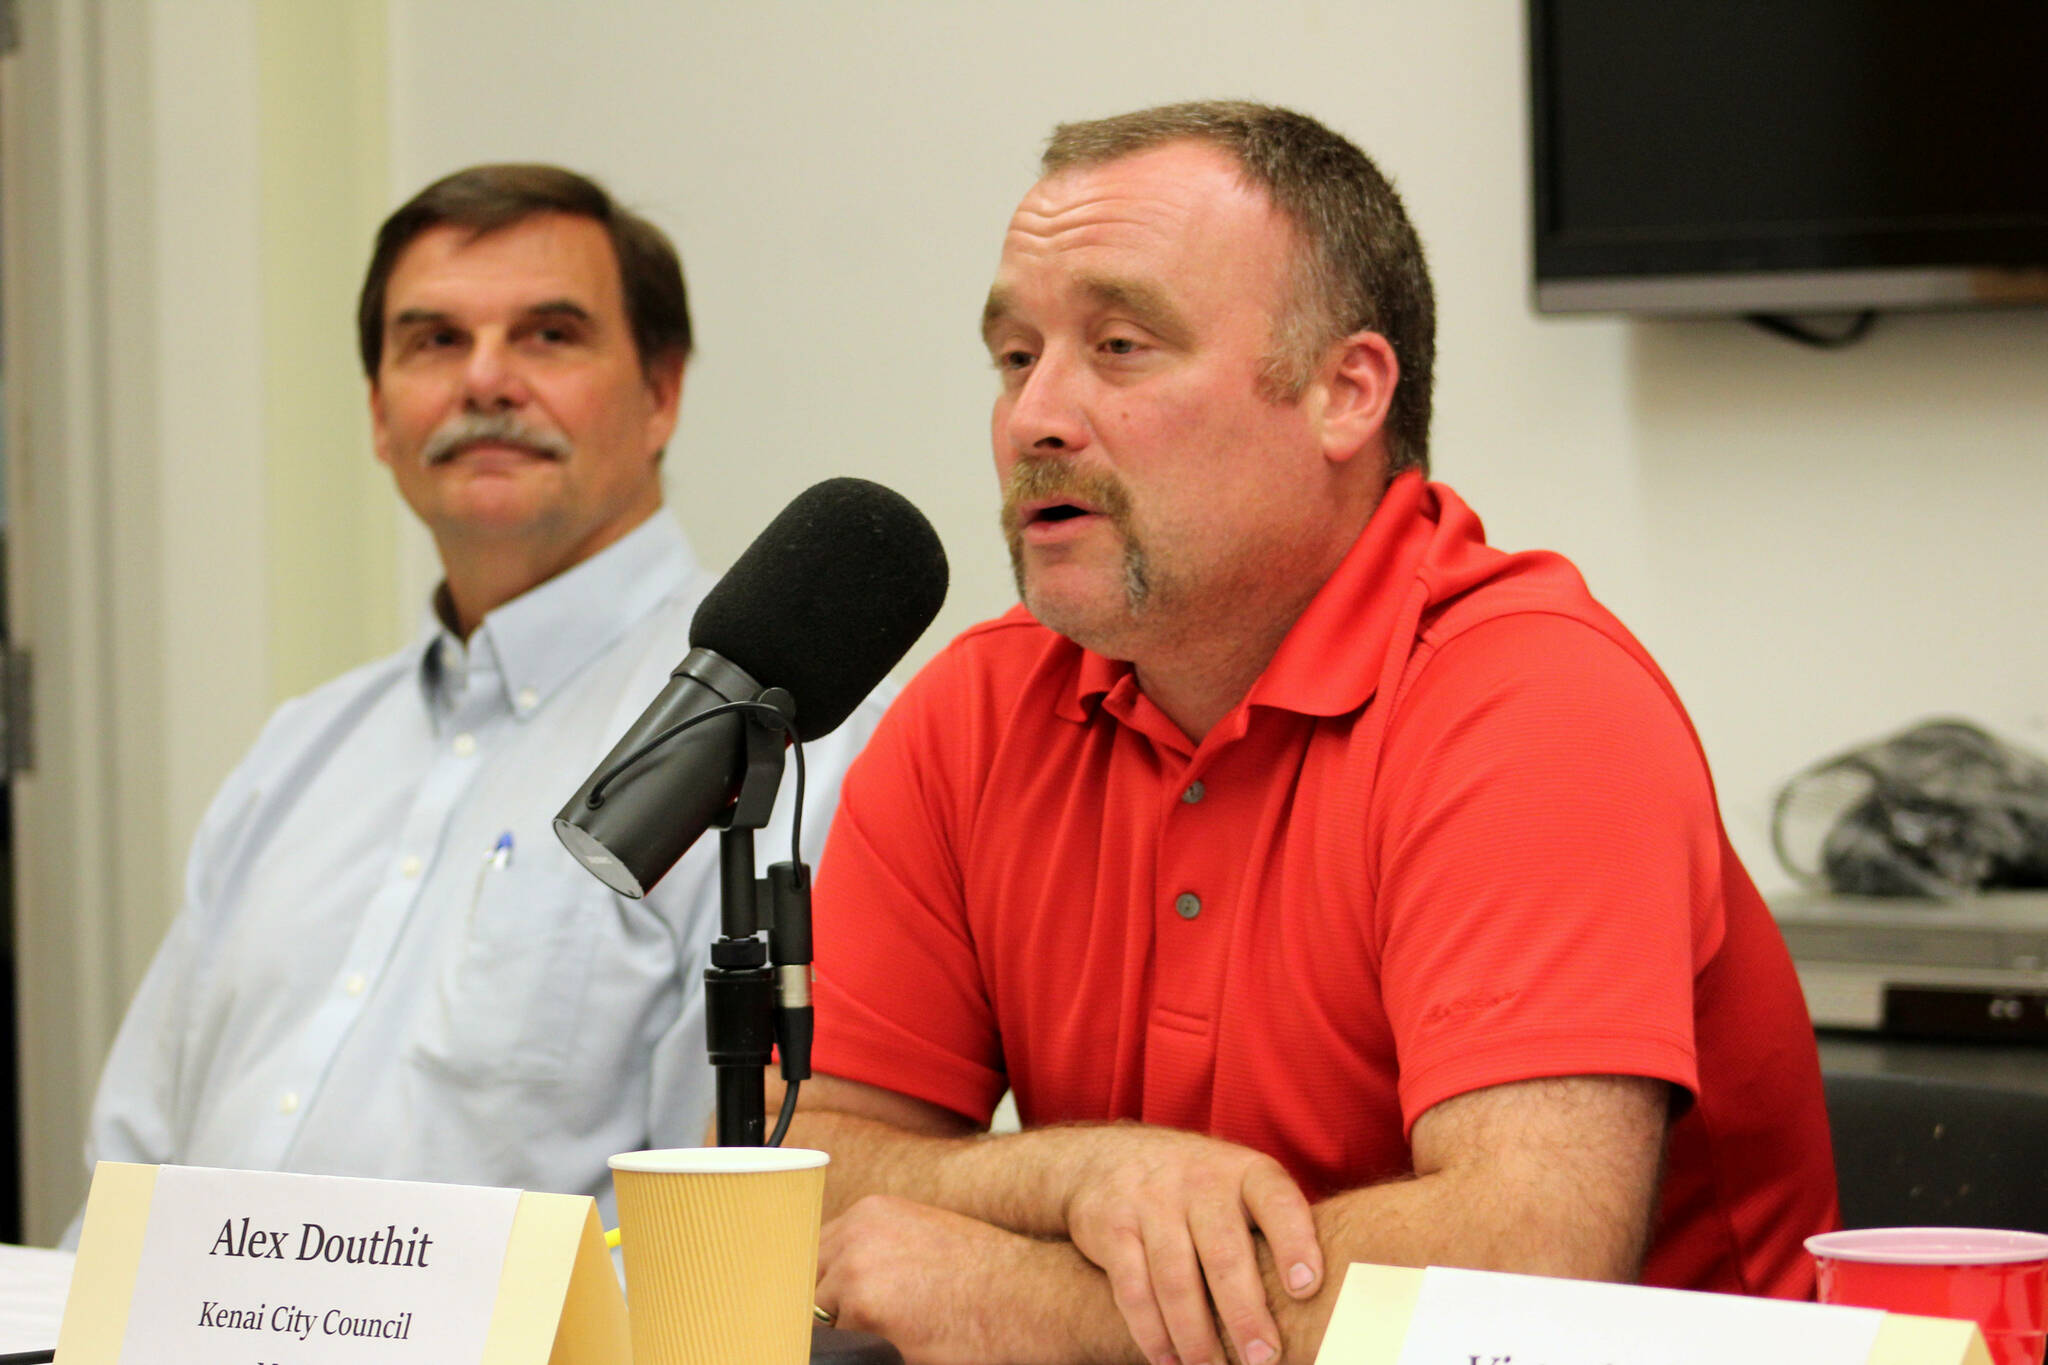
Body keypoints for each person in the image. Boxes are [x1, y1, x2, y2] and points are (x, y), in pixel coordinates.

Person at [786, 102, 1836, 1365]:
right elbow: (801, 1170)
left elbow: (1527, 1261)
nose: (1034, 419)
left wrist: (1034, 1303)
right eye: (1014, 358)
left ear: (1346, 394)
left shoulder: (1531, 701)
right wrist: (1075, 1177)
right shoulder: (972, 709)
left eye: (1117, 347)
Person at [71, 164, 884, 1239]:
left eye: (549, 335)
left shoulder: (780, 749)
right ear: (377, 411)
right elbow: (129, 1178)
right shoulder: (298, 754)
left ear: (660, 394)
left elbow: (712, 1237)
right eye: (433, 342)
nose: (486, 380)